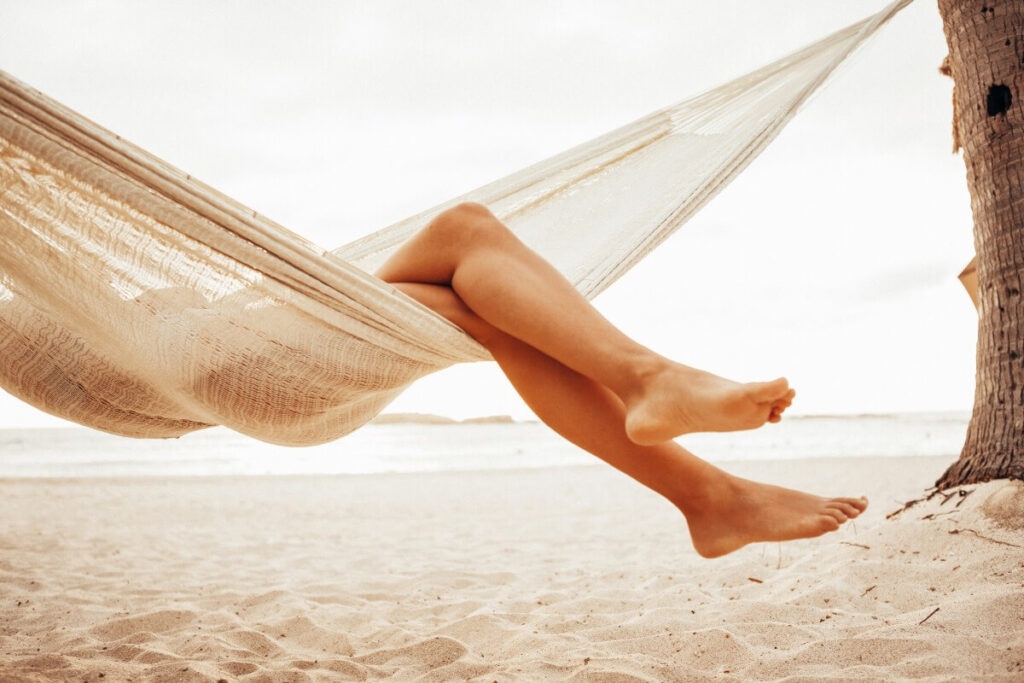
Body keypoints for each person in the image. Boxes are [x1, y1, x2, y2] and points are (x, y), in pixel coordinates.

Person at [376, 202, 867, 558]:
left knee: (488, 302)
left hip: (308, 320)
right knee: (464, 233)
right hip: (297, 331)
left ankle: (710, 493)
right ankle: (658, 397)